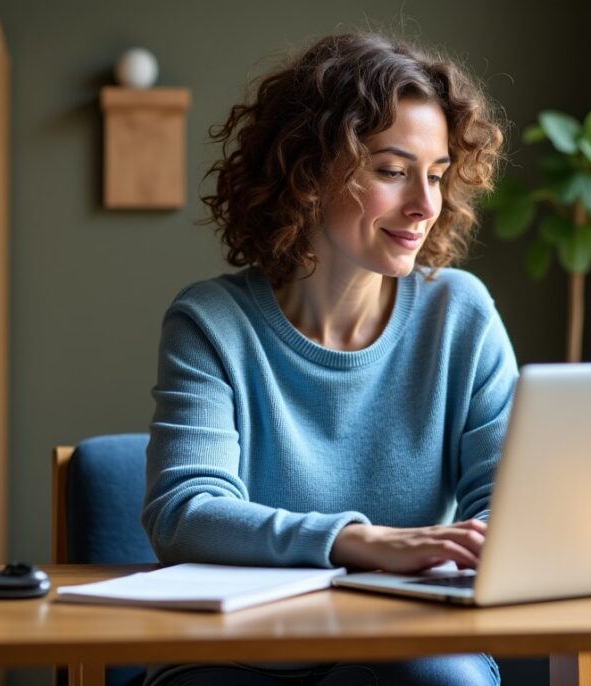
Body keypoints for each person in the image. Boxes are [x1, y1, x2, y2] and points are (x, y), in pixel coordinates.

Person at [141, 32, 515, 686]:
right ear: (309, 172)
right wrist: (359, 541)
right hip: (239, 653)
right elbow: (185, 512)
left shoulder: (460, 314)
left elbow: (507, 508)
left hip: (405, 648)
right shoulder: (212, 323)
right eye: (393, 171)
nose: (424, 206)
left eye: (435, 175)